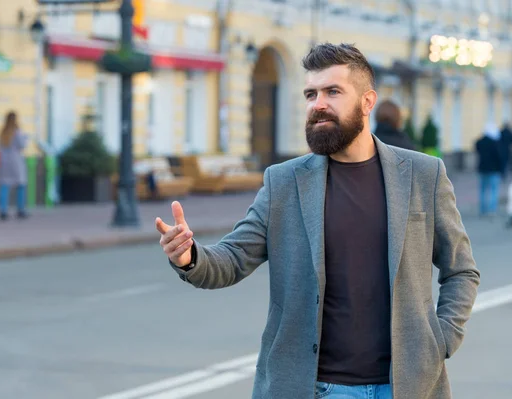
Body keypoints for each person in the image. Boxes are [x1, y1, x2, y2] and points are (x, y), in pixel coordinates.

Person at [156, 43, 480, 399]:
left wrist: (442, 339)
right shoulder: (283, 182)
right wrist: (188, 256)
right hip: (315, 388)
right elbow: (231, 260)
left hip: (406, 386)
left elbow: (461, 270)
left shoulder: (423, 174)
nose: (318, 104)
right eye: (310, 93)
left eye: (332, 92)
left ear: (367, 102)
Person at [0, 111, 28, 220]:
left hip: (5, 162)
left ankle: (3, 211)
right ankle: (20, 210)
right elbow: (22, 145)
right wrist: (25, 138)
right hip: (16, 162)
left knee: (4, 185)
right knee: (20, 185)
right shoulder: (17, 132)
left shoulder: (2, 132)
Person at [475, 122, 504, 217]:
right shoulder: (495, 143)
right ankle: (492, 209)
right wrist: (501, 169)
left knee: (483, 190)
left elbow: (477, 148)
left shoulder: (480, 142)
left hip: (482, 168)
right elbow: (499, 156)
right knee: (493, 190)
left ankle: (483, 209)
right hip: (494, 169)